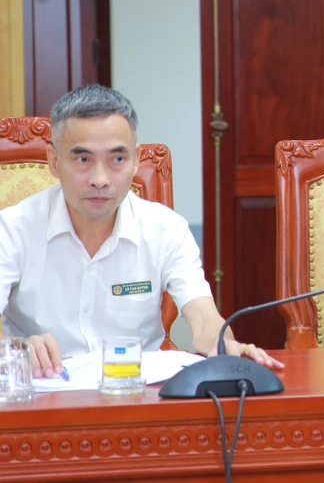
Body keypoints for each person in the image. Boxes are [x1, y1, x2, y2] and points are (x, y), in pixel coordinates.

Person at [0, 84, 284, 377]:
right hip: (43, 390)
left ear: (135, 160)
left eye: (117, 159)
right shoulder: (12, 229)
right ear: (54, 161)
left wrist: (226, 348)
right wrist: (16, 348)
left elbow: (203, 318)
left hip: (136, 390)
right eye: (83, 159)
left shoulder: (166, 230)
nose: (100, 179)